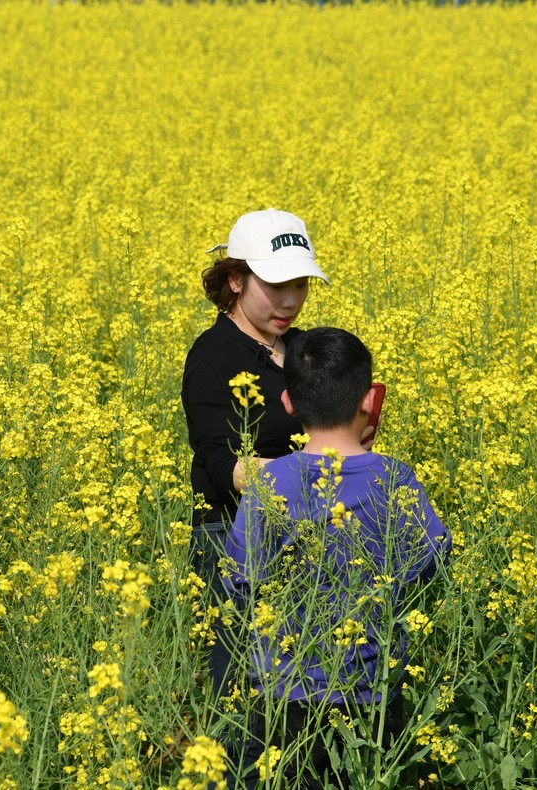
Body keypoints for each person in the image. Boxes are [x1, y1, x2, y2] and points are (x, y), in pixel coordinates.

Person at [222, 327, 450, 788]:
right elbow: (434, 558)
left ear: (288, 403)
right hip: (370, 683)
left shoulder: (270, 482)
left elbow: (239, 577)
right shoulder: (394, 477)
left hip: (285, 687)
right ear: (369, 400)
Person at [181, 208, 331, 696]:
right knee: (243, 704)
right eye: (276, 284)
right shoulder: (215, 354)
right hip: (232, 541)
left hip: (312, 536)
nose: (291, 300)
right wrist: (320, 477)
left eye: (301, 284)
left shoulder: (308, 348)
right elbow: (224, 466)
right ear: (236, 279)